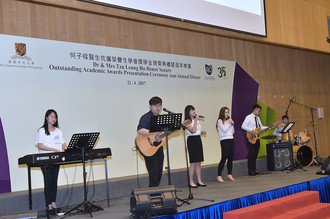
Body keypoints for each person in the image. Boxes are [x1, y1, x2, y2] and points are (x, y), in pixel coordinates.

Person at [36, 109, 67, 215]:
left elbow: (63, 144)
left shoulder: (58, 131)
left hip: (56, 159)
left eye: (55, 117)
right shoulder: (41, 131)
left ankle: (54, 203)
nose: (54, 119)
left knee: (54, 182)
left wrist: (68, 148)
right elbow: (39, 145)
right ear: (47, 118)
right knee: (48, 182)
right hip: (45, 160)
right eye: (52, 116)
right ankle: (48, 205)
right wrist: (52, 149)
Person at [137, 96, 164, 187]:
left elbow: (162, 134)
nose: (158, 108)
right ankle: (153, 193)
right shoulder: (146, 117)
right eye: (155, 105)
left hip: (158, 148)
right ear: (150, 106)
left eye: (159, 105)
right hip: (148, 147)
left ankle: (155, 192)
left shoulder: (161, 118)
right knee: (153, 172)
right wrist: (153, 133)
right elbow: (140, 130)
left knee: (159, 170)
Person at [241, 104, 268, 176]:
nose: (259, 112)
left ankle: (254, 169)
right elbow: (243, 126)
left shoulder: (258, 118)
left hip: (257, 138)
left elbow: (261, 127)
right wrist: (252, 130)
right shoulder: (248, 117)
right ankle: (250, 171)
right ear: (255, 109)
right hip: (251, 138)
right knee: (251, 154)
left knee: (255, 154)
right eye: (259, 111)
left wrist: (270, 127)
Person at [184, 105, 206, 188]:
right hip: (192, 141)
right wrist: (196, 120)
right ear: (188, 112)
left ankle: (199, 181)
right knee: (193, 162)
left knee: (199, 162)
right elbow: (192, 131)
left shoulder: (195, 120)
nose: (194, 111)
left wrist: (201, 132)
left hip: (198, 140)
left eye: (194, 110)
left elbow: (197, 131)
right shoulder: (187, 121)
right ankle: (191, 181)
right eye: (192, 110)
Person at [216, 107, 235, 183]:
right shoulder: (219, 121)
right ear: (222, 113)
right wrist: (229, 123)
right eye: (226, 112)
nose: (227, 114)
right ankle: (219, 175)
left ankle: (229, 174)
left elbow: (232, 132)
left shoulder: (229, 121)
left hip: (231, 139)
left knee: (230, 157)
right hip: (224, 140)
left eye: (228, 112)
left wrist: (232, 125)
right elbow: (224, 130)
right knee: (224, 157)